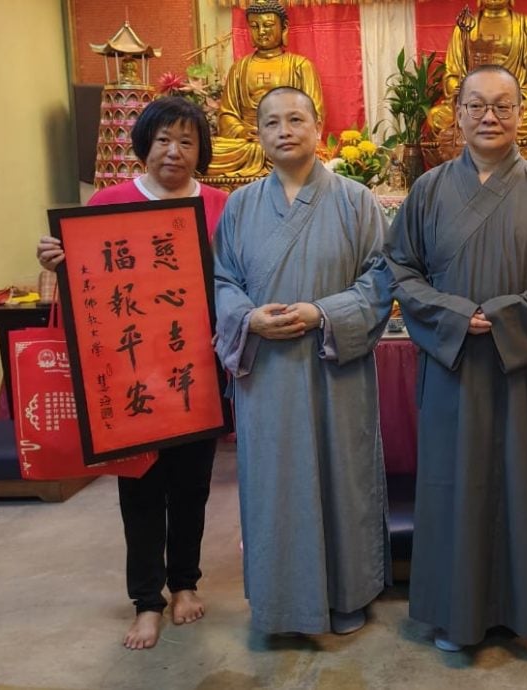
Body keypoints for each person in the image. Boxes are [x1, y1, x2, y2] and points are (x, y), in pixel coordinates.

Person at [386, 65, 527, 652]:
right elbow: (400, 267)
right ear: (457, 115)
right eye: (476, 106)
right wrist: (451, 315)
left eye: (503, 106)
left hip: (522, 364)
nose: (489, 117)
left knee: (524, 483)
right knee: (455, 485)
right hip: (452, 365)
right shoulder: (428, 191)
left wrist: (509, 317)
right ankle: (458, 615)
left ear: (522, 115)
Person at [36, 96, 227, 651]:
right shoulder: (110, 201)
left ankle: (185, 583)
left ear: (202, 151)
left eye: (187, 141)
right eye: (164, 139)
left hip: (197, 370)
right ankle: (147, 600)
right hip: (129, 377)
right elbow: (88, 288)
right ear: (143, 143)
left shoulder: (222, 205)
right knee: (140, 487)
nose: (174, 151)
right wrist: (57, 260)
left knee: (192, 486)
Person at [212, 86, 393, 635]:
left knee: (343, 476)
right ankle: (281, 604)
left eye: (296, 119)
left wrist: (324, 312)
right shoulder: (240, 204)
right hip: (267, 371)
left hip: (333, 363)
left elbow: (381, 278)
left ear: (319, 126)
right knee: (275, 484)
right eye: (272, 122)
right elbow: (223, 280)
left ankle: (347, 594)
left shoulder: (357, 200)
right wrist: (248, 319)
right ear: (258, 135)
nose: (285, 130)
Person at [207, 0, 324, 177]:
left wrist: (285, 130)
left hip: (288, 138)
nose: (261, 31)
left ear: (283, 27)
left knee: (314, 153)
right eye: (254, 26)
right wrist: (242, 131)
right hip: (248, 143)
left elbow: (315, 112)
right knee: (210, 151)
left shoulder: (301, 65)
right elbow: (226, 114)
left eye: (268, 25)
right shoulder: (239, 68)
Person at [426, 0, 527, 139]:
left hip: (512, 105)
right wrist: (472, 96)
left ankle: (484, 135)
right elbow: (453, 76)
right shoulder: (464, 28)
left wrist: (510, 97)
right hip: (475, 106)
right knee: (437, 117)